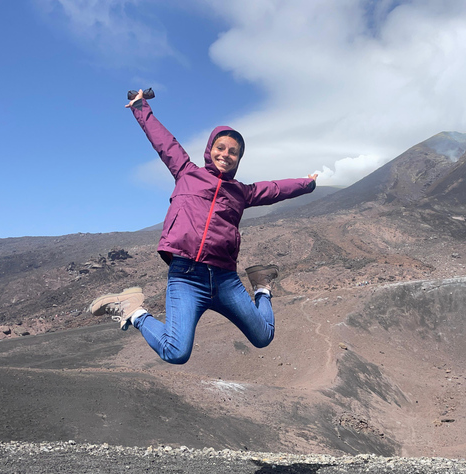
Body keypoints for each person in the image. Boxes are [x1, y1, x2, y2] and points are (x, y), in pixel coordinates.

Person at [88, 90, 318, 364]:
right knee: (176, 352)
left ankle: (262, 287)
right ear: (210, 149)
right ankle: (134, 312)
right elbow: (164, 142)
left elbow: (276, 189)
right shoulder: (187, 172)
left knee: (263, 336)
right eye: (220, 148)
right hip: (186, 277)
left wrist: (308, 184)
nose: (226, 154)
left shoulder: (242, 192)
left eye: (234, 152)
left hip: (225, 280)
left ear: (239, 159)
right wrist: (140, 106)